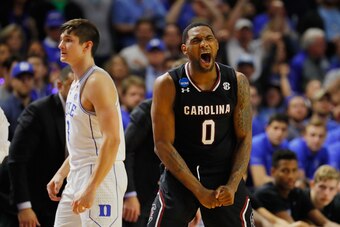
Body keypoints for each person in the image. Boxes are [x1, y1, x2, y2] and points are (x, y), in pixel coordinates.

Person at [148, 22, 253, 226]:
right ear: (184, 49)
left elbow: (244, 138)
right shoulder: (168, 83)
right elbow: (162, 144)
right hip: (182, 173)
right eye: (196, 40)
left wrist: (232, 185)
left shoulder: (236, 81)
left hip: (224, 171)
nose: (204, 44)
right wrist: (199, 191)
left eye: (209, 38)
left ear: (216, 46)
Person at [46, 19, 127, 226]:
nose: (60, 45)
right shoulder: (75, 82)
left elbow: (113, 139)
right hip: (77, 172)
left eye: (68, 40)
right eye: (61, 40)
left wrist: (92, 188)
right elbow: (81, 139)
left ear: (87, 45)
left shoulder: (97, 81)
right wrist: (61, 172)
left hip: (102, 175)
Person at [6, 66, 73, 227]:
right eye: (73, 85)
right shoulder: (38, 111)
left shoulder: (83, 113)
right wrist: (24, 206)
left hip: (62, 195)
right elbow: (16, 159)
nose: (78, 92)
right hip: (33, 197)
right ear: (59, 85)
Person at [254, 150, 339, 226]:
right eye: (285, 171)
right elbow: (291, 225)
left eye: (294, 170)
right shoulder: (266, 193)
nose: (291, 176)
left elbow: (325, 222)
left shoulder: (298, 193)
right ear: (273, 171)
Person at [250, 113, 289, 187]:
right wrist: (286, 181)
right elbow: (259, 182)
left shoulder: (286, 145)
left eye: (283, 130)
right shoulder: (256, 144)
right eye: (275, 128)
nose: (279, 133)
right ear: (267, 128)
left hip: (275, 187)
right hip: (253, 191)